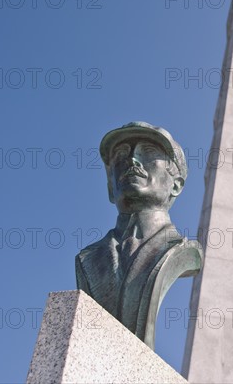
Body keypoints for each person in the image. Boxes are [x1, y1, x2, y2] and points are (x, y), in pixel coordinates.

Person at [75, 121, 203, 350]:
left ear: (176, 185)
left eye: (150, 153)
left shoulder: (179, 249)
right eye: (121, 155)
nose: (132, 161)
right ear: (109, 188)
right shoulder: (88, 258)